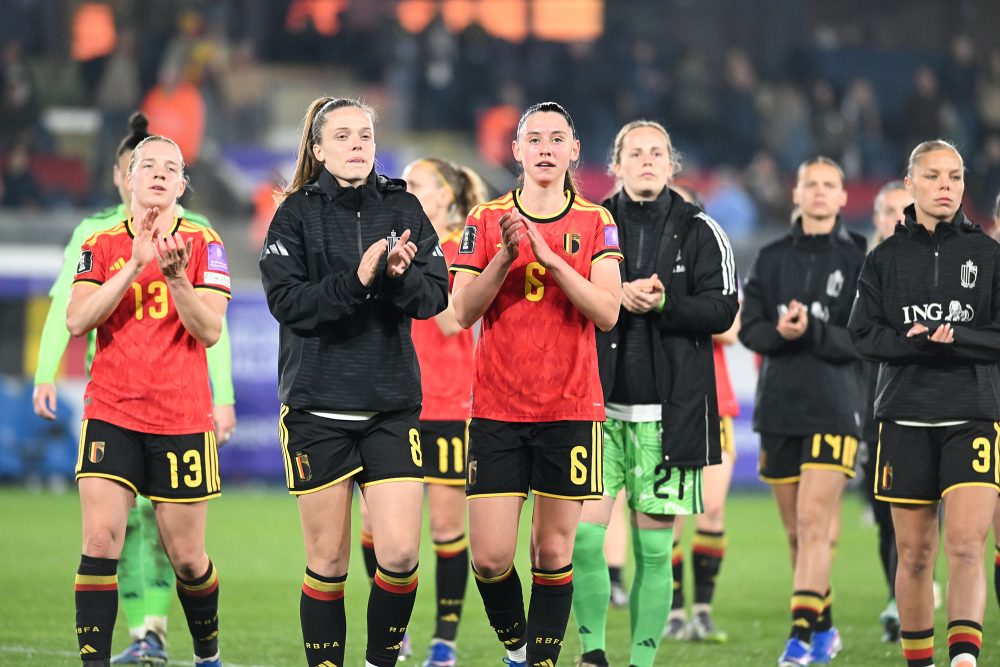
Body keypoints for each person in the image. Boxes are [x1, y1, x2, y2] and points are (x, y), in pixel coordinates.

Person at [32, 111, 236, 666]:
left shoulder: (203, 242)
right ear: (128, 177)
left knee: (188, 557)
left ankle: (207, 655)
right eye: (149, 165)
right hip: (112, 411)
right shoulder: (98, 243)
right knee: (100, 543)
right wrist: (131, 268)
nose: (161, 174)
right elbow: (77, 321)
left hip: (180, 417)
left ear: (183, 185)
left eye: (173, 168)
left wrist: (172, 277)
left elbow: (210, 329)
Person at [259, 97, 449, 667]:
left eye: (364, 135)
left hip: (391, 407)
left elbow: (435, 296)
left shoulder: (405, 205)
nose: (356, 145)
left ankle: (379, 662)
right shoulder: (294, 214)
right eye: (341, 137)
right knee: (330, 562)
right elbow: (288, 303)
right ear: (318, 150)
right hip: (318, 410)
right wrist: (360, 278)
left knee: (399, 555)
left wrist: (398, 278)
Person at [450, 101, 622, 667]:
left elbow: (608, 311)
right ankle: (519, 647)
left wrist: (549, 258)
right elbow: (461, 311)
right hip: (498, 409)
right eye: (535, 139)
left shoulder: (597, 221)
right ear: (517, 150)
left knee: (553, 550)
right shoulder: (484, 218)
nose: (546, 148)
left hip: (571, 408)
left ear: (574, 151)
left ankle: (541, 661)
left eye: (557, 139)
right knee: (491, 558)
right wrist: (506, 255)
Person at [571, 121, 737, 667]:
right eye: (635, 153)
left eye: (657, 153)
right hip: (596, 410)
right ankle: (593, 654)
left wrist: (666, 304)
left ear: (672, 164)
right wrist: (614, 296)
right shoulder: (589, 224)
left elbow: (724, 309)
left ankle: (641, 661)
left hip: (672, 414)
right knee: (586, 543)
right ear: (616, 164)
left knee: (654, 548)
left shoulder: (702, 229)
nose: (647, 160)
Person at [850, 139, 1000, 667]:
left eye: (955, 177)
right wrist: (914, 343)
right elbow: (863, 335)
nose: (946, 186)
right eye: (934, 177)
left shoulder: (989, 256)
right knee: (914, 556)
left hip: (973, 415)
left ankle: (963, 659)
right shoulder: (884, 259)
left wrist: (955, 338)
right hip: (905, 417)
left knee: (965, 546)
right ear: (909, 185)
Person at [357, 157, 487, 667]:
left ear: (445, 198)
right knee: (373, 525)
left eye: (417, 183)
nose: (404, 189)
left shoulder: (460, 247)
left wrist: (412, 269)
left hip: (449, 402)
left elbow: (455, 321)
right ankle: (398, 626)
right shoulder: (387, 240)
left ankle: (445, 640)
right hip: (390, 401)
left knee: (446, 530)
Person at [739, 156, 867, 666]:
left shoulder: (861, 259)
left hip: (836, 405)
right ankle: (825, 629)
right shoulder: (770, 259)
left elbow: (861, 337)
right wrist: (781, 332)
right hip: (780, 407)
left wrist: (808, 331)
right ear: (796, 194)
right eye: (810, 184)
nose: (818, 192)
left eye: (829, 185)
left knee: (815, 524)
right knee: (797, 533)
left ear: (842, 197)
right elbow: (748, 328)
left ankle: (797, 639)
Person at [664, 182, 740, 644]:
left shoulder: (714, 259)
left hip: (715, 402)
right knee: (667, 510)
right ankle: (673, 611)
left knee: (711, 510)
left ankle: (704, 609)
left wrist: (671, 304)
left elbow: (729, 328)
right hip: (665, 398)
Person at [859, 180, 912, 643]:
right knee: (882, 514)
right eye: (888, 209)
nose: (897, 218)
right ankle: (898, 595)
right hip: (870, 408)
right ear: (876, 216)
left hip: (918, 406)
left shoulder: (927, 267)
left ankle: (907, 592)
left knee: (914, 510)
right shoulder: (863, 270)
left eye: (903, 209)